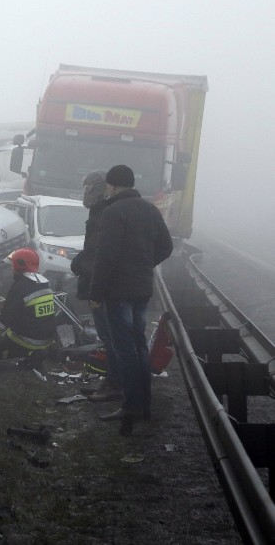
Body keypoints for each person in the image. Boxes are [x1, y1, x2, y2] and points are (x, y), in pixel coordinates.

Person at [90, 164, 173, 435]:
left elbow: (106, 257)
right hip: (141, 290)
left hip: (117, 292)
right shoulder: (150, 210)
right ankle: (143, 403)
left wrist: (96, 292)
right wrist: (143, 265)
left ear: (112, 186)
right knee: (138, 347)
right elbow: (166, 246)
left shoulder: (113, 212)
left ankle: (132, 405)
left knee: (124, 349)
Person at [69, 170, 120, 401]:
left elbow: (102, 252)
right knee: (110, 337)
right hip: (99, 282)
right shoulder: (100, 212)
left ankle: (115, 384)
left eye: (88, 188)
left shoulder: (103, 214)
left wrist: (85, 268)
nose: (85, 194)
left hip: (101, 286)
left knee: (111, 338)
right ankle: (112, 381)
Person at [0, 247, 56, 370]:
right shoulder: (44, 283)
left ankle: (28, 356)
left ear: (20, 266)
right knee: (6, 336)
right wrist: (8, 303)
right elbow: (29, 308)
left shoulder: (19, 287)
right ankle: (38, 352)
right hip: (46, 340)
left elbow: (4, 322)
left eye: (12, 265)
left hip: (27, 340)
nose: (11, 268)